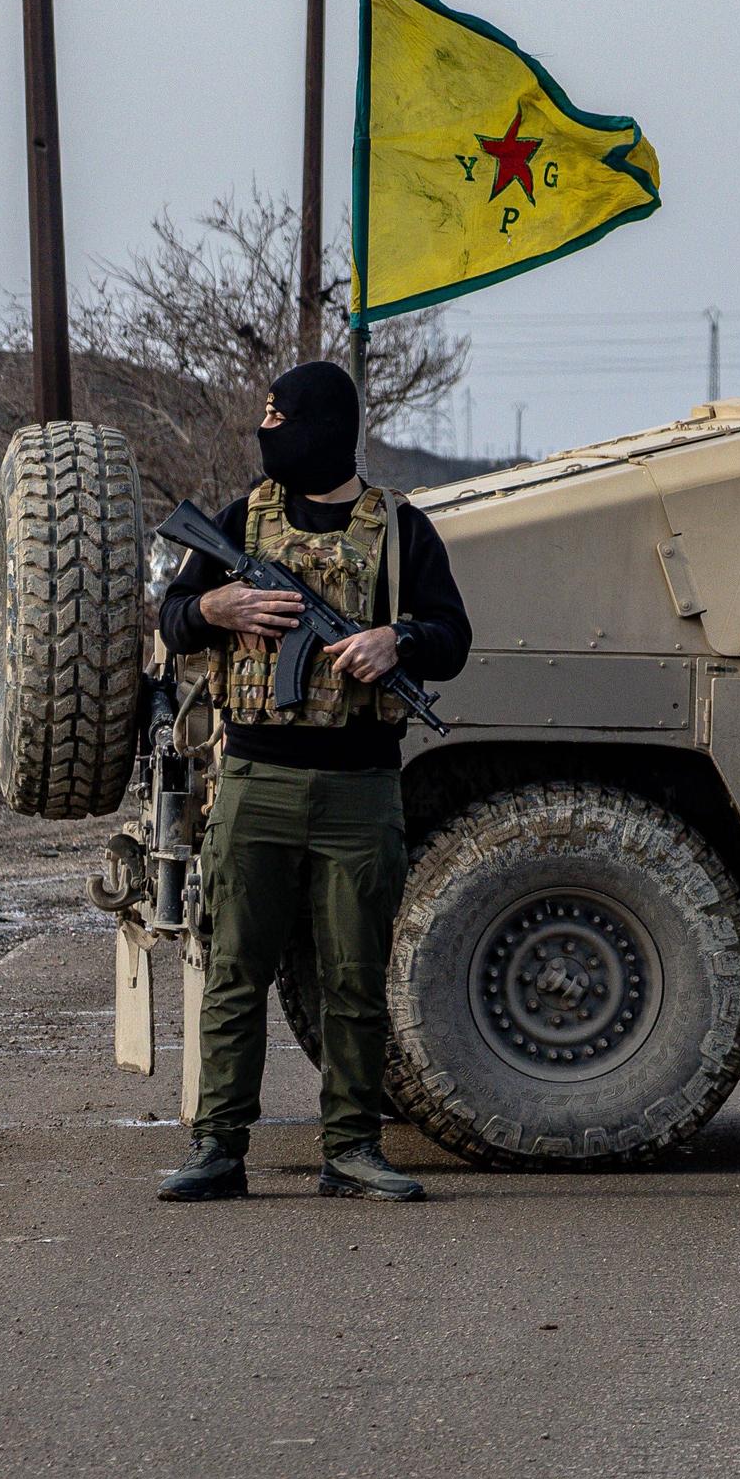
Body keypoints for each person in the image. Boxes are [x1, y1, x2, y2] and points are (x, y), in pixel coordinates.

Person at [153, 360, 473, 1205]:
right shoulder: (239, 522)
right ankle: (217, 1148)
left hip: (360, 789)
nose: (268, 432)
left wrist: (395, 640)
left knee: (354, 979)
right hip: (254, 779)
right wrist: (216, 610)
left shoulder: (402, 529)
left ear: (327, 427)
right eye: (266, 417)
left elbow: (453, 636)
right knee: (234, 970)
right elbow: (173, 618)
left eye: (281, 418)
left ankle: (353, 1149)